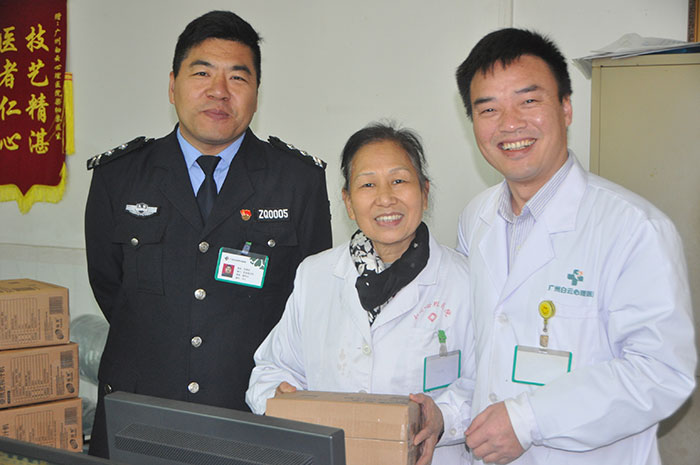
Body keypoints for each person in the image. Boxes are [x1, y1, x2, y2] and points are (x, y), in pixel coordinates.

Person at [84, 10, 332, 457]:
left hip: (250, 416)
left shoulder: (297, 182)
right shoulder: (119, 177)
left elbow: (310, 303)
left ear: (256, 94)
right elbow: (109, 284)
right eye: (202, 73)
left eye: (238, 77)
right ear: (172, 85)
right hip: (140, 413)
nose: (219, 91)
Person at [452, 28, 696, 464]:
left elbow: (661, 372)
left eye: (528, 100)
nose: (510, 124)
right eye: (488, 109)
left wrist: (528, 419)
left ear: (566, 107)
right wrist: (444, 413)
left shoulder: (634, 227)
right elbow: (479, 346)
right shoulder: (477, 217)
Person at [246, 123, 476, 464]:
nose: (385, 198)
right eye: (368, 184)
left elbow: (487, 382)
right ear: (349, 202)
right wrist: (277, 397)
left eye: (399, 181)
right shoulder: (315, 275)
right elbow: (272, 368)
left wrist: (444, 416)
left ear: (424, 192)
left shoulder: (465, 280)